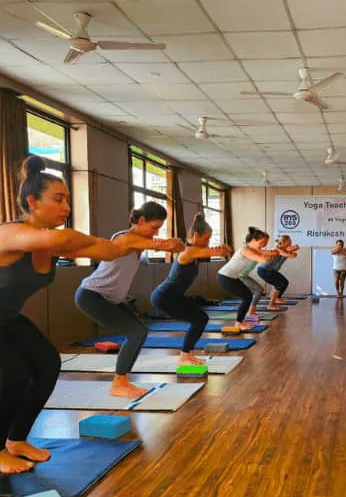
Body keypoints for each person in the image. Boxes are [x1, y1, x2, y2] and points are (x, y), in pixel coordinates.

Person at [0, 156, 122, 474]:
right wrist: (82, 243)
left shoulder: (54, 242)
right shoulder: (10, 234)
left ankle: (17, 439)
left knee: (47, 364)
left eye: (67, 199)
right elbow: (67, 240)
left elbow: (109, 251)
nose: (66, 206)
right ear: (32, 201)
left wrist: (118, 243)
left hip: (7, 316)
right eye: (58, 199)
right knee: (12, 375)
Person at [75, 202, 185, 399]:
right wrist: (165, 243)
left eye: (158, 229)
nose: (155, 233)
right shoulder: (123, 238)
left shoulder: (140, 241)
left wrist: (168, 242)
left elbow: (179, 245)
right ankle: (119, 383)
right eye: (153, 227)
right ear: (141, 220)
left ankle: (122, 381)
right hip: (92, 295)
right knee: (136, 332)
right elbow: (171, 245)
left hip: (111, 299)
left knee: (139, 332)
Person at [150, 213, 232, 366]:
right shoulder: (188, 251)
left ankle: (187, 354)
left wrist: (224, 248)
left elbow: (223, 250)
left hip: (174, 297)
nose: (208, 243)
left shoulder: (194, 252)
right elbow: (218, 252)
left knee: (200, 319)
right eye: (206, 239)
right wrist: (221, 249)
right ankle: (185, 356)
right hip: (164, 297)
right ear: (196, 235)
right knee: (199, 319)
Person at [216, 227, 277, 330]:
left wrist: (274, 253)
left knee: (247, 297)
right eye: (261, 243)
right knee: (247, 297)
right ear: (253, 241)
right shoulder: (245, 250)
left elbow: (267, 254)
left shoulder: (254, 249)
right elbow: (262, 258)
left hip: (232, 277)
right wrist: (269, 255)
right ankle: (239, 323)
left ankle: (241, 321)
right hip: (225, 277)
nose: (263, 246)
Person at [256, 235, 299, 310]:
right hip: (264, 270)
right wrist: (292, 250)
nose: (291, 243)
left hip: (271, 270)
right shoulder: (278, 250)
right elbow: (292, 256)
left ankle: (277, 298)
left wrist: (292, 250)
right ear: (284, 243)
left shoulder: (284, 250)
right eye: (289, 241)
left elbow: (294, 255)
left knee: (285, 282)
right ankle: (271, 304)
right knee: (279, 285)